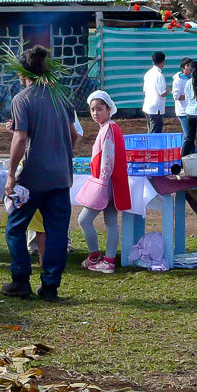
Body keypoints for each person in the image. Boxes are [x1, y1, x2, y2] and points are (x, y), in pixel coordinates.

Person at [3, 46, 78, 301]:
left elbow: (20, 138)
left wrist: (11, 174)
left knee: (15, 227)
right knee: (57, 232)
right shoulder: (60, 95)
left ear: (21, 72)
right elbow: (74, 135)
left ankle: (20, 280)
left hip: (34, 177)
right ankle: (50, 287)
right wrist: (61, 154)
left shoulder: (22, 99)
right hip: (61, 176)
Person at [78, 90, 131, 274]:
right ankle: (108, 260)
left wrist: (102, 183)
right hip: (112, 183)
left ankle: (96, 256)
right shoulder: (109, 128)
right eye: (93, 109)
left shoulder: (108, 129)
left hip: (105, 183)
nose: (95, 113)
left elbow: (108, 159)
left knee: (84, 220)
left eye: (99, 109)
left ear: (109, 109)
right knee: (110, 222)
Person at [142, 51, 169, 133]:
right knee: (155, 133)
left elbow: (144, 90)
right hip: (155, 108)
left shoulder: (148, 74)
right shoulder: (159, 75)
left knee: (150, 130)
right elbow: (162, 93)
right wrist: (168, 91)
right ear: (163, 62)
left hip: (148, 106)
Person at [171, 57, 193, 136]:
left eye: (191, 65)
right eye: (187, 65)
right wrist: (190, 96)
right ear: (183, 68)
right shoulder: (178, 80)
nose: (190, 67)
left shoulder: (192, 78)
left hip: (192, 111)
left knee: (191, 134)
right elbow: (176, 96)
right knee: (187, 134)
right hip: (183, 112)